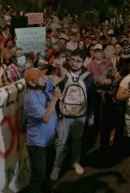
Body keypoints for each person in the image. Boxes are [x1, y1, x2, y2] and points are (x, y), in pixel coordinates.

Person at [50, 50, 95, 181]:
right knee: (61, 142)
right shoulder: (63, 75)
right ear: (69, 60)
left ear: (84, 61)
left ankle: (75, 162)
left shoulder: (88, 77)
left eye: (79, 61)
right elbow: (55, 94)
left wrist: (91, 115)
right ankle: (56, 166)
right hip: (64, 115)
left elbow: (92, 97)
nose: (75, 63)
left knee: (77, 140)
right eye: (73, 60)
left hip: (80, 115)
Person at [24, 68, 60, 193]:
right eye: (40, 77)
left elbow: (59, 75)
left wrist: (59, 66)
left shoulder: (42, 88)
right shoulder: (30, 98)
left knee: (48, 170)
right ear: (32, 83)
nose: (44, 78)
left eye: (43, 76)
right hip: (37, 144)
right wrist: (55, 99)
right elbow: (45, 118)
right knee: (39, 175)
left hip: (48, 140)